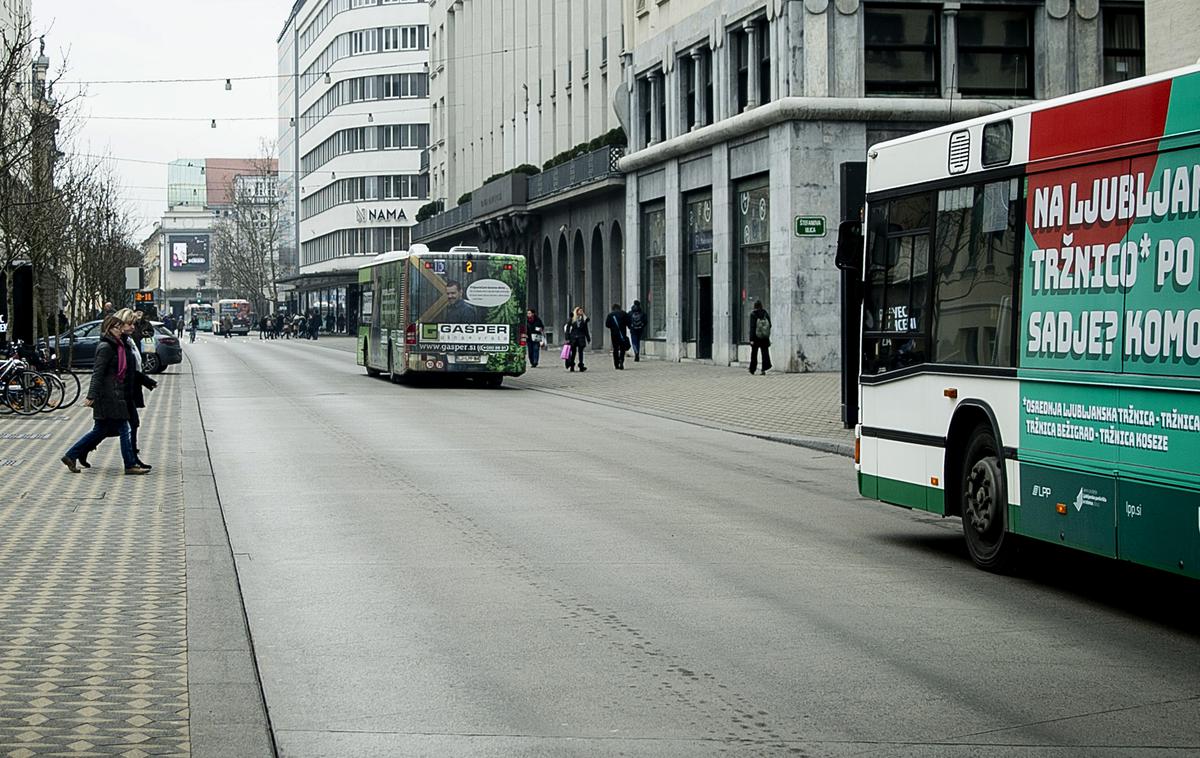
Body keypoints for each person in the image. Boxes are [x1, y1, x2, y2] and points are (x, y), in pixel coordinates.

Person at [61, 314, 150, 475]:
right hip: (109, 396)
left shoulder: (119, 345)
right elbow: (97, 373)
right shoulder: (106, 347)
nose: (120, 330)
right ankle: (130, 464)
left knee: (100, 430)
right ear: (109, 329)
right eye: (117, 327)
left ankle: (71, 455)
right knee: (125, 428)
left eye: (120, 326)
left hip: (115, 393)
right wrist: (91, 396)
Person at [117, 310, 158, 470]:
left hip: (130, 388)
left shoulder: (129, 340)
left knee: (108, 428)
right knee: (126, 425)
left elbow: (133, 365)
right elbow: (120, 370)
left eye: (134, 323)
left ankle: (76, 453)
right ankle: (131, 461)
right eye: (130, 324)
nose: (133, 327)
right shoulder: (118, 343)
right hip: (122, 391)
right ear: (121, 324)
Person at [748, 300, 772, 376]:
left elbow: (752, 327)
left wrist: (751, 339)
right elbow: (769, 325)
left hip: (756, 338)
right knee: (765, 353)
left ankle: (752, 369)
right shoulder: (765, 313)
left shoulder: (753, 314)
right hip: (764, 338)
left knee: (754, 354)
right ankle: (764, 369)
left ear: (755, 306)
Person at [564, 306, 590, 372]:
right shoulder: (572, 319)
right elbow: (567, 329)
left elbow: (585, 329)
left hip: (581, 337)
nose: (581, 312)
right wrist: (567, 338)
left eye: (582, 311)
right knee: (573, 352)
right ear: (576, 312)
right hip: (573, 338)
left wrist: (588, 337)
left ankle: (581, 365)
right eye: (580, 311)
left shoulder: (584, 320)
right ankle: (572, 365)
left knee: (581, 352)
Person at [604, 303, 630, 370]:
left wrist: (613, 327)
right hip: (622, 334)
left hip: (614, 335)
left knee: (615, 349)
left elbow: (607, 325)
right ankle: (621, 360)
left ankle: (616, 364)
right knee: (622, 349)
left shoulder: (610, 315)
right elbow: (628, 323)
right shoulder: (624, 314)